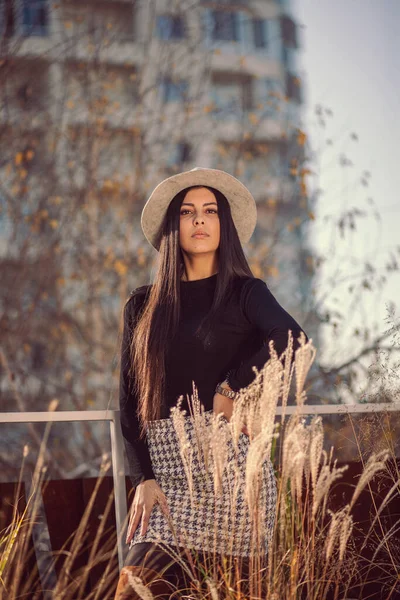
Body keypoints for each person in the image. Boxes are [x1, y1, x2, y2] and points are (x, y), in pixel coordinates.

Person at [114, 167, 309, 599]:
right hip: (164, 481)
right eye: (187, 212)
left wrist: (231, 386)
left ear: (224, 225)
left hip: (232, 477)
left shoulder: (246, 293)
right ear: (173, 226)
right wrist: (142, 477)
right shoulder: (141, 306)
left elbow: (293, 339)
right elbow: (128, 402)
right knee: (133, 591)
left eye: (209, 211)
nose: (199, 220)